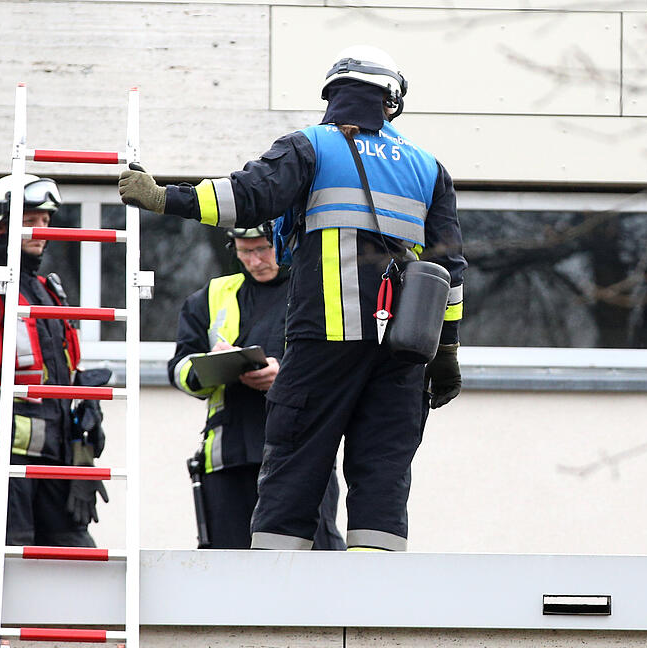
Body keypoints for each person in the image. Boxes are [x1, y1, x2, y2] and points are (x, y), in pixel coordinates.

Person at [120, 45, 466, 551]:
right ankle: (374, 585)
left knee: (296, 457)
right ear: (391, 101)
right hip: (403, 346)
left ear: (332, 96)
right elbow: (449, 271)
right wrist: (447, 352)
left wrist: (165, 197)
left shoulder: (311, 146)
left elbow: (246, 197)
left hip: (324, 334)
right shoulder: (429, 167)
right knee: (384, 466)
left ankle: (275, 583)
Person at [0, 174, 108, 547]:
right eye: (31, 221)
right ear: (0, 226)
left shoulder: (45, 290)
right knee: (7, 566)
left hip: (56, 461)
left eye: (46, 221)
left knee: (74, 562)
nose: (41, 230)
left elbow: (59, 375)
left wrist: (81, 449)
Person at [169, 224, 345, 550]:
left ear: (283, 242)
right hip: (230, 455)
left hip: (303, 453)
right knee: (229, 566)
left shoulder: (318, 293)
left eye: (263, 249)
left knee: (314, 561)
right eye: (245, 251)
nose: (255, 260)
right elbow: (179, 368)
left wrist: (286, 376)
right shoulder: (211, 296)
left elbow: (341, 368)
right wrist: (210, 366)